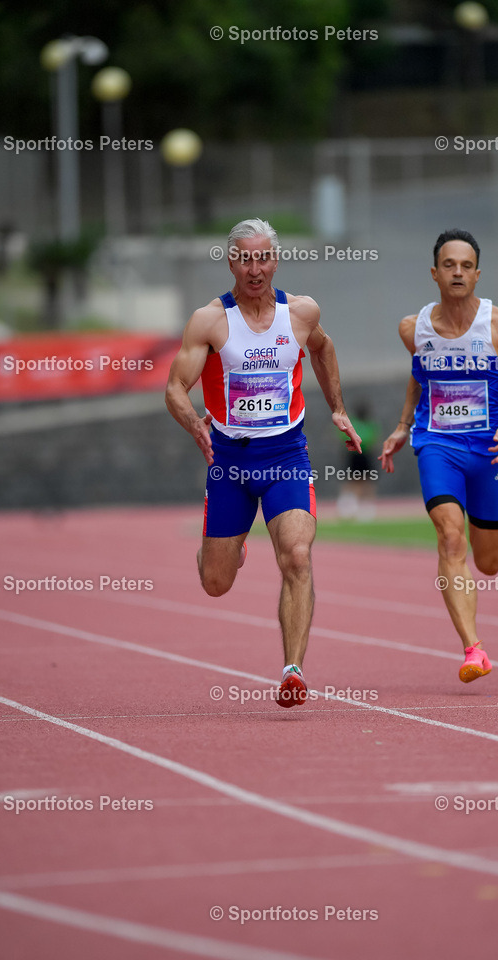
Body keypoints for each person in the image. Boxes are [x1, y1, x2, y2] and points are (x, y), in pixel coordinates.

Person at [165, 218, 361, 708]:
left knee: (297, 555)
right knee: (216, 583)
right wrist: (195, 425)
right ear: (231, 262)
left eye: (263, 258)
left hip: (286, 455)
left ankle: (293, 669)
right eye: (245, 259)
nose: (255, 269)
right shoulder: (210, 321)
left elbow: (323, 348)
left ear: (276, 261)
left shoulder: (301, 312)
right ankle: (227, 549)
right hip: (230, 461)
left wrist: (337, 407)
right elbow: (175, 388)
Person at [379, 229, 498, 682]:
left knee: (487, 562)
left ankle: (474, 635)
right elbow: (419, 376)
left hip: (489, 449)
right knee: (450, 537)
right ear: (435, 273)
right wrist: (404, 426)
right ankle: (473, 649)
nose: (458, 273)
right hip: (438, 444)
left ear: (477, 274)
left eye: (466, 266)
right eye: (449, 265)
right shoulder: (413, 328)